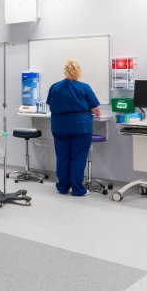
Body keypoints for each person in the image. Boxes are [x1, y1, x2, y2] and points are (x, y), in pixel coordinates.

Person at [45, 59, 101, 196]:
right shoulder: (84, 87)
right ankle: (77, 189)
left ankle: (62, 187)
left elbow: (50, 105)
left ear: (65, 71)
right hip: (80, 128)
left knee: (62, 157)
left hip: (59, 127)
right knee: (78, 158)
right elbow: (96, 109)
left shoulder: (55, 87)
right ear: (78, 72)